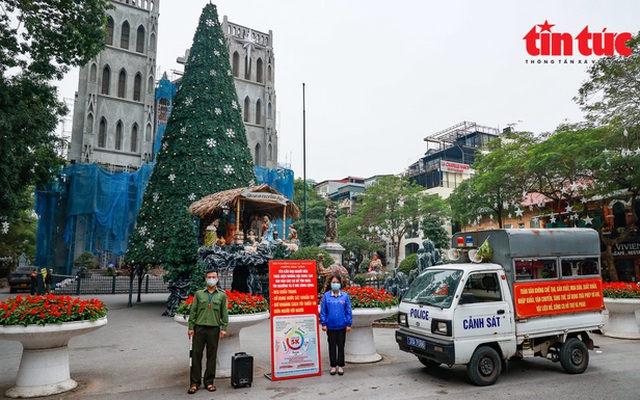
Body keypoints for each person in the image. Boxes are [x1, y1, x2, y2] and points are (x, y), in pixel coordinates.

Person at [187, 270, 228, 394]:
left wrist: (224, 328)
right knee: (196, 355)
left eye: (213, 277)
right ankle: (194, 383)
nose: (211, 279)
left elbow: (224, 313)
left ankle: (209, 382)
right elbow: (193, 311)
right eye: (209, 277)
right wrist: (191, 327)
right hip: (199, 329)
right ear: (206, 279)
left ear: (217, 279)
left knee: (211, 356)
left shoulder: (221, 295)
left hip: (213, 329)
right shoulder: (199, 294)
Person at [319, 276, 352, 376]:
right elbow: (323, 311)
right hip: (330, 326)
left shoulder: (345, 296)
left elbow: (348, 311)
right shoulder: (327, 296)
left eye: (337, 282)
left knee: (341, 346)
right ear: (330, 283)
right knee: (332, 346)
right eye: (333, 282)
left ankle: (340, 365)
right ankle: (333, 366)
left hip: (342, 326)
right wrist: (323, 323)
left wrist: (348, 324)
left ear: (340, 283)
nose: (335, 284)